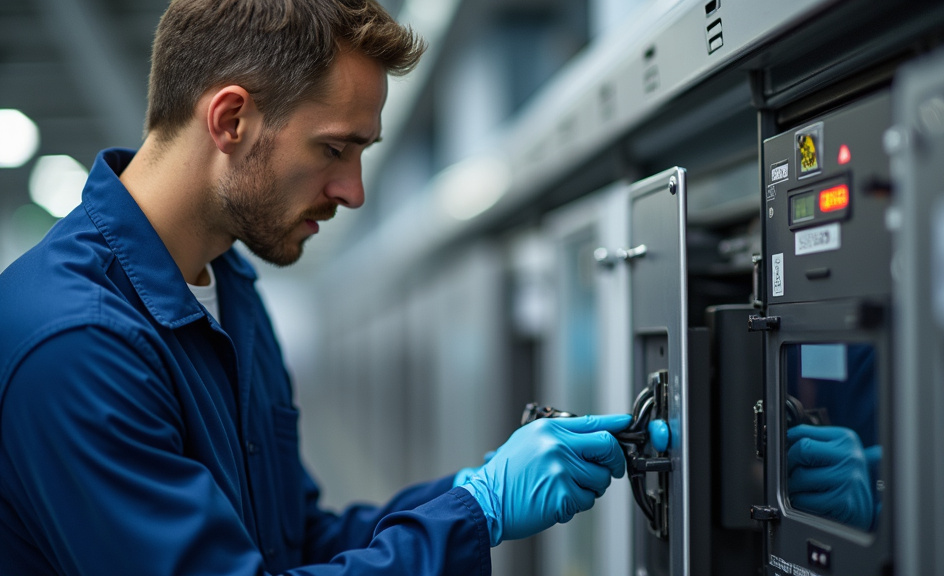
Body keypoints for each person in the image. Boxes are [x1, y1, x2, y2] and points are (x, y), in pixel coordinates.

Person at [0, 1, 631, 574]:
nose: (353, 192)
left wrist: (473, 491)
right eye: (334, 149)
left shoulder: (232, 290)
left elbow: (292, 541)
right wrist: (478, 512)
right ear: (231, 119)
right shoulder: (79, 343)